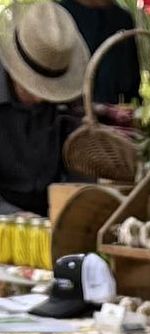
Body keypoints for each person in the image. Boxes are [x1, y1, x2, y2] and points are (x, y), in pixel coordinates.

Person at [0, 0, 89, 216]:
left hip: (53, 215)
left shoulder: (69, 106)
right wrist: (14, 217)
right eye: (33, 88)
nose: (41, 98)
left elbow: (81, 170)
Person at [58, 0, 138, 106]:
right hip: (66, 116)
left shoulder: (123, 19)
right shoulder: (58, 16)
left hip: (113, 116)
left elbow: (132, 81)